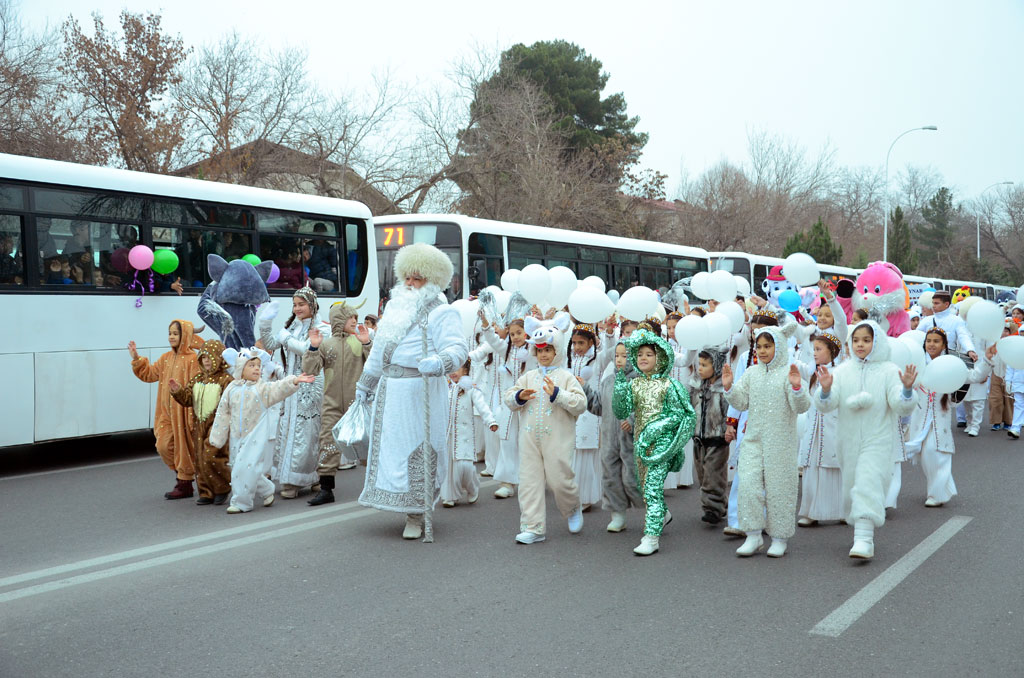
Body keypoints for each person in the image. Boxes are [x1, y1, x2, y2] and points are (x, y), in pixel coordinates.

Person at [355, 242, 468, 541]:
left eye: (416, 278)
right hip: (390, 393)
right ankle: (400, 502)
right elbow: (380, 348)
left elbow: (458, 349)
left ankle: (417, 512)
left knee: (420, 451)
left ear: (431, 281)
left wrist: (439, 362)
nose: (409, 283)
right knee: (392, 452)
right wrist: (366, 383)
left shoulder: (443, 312)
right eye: (407, 276)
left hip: (421, 390)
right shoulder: (393, 307)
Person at [814, 321, 917, 559]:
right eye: (856, 340)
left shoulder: (889, 371)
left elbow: (900, 406)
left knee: (868, 482)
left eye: (867, 340)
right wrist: (826, 389)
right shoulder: (841, 371)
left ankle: (863, 539)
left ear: (877, 342)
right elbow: (826, 406)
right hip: (848, 441)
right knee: (853, 485)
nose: (861, 344)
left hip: (878, 439)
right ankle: (860, 532)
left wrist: (907, 389)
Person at [722, 326, 810, 558]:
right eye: (759, 346)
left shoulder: (788, 372)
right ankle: (753, 535)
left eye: (768, 346)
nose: (762, 351)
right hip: (752, 440)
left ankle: (780, 537)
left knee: (779, 490)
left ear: (778, 346)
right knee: (748, 486)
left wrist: (797, 387)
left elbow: (801, 406)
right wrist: (730, 387)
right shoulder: (751, 373)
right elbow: (741, 402)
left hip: (780, 443)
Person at [504, 314, 587, 545]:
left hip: (558, 439)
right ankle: (533, 527)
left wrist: (558, 394)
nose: (543, 355)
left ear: (557, 351)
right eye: (539, 351)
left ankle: (571, 507)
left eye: (548, 350)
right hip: (529, 438)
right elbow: (509, 398)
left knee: (560, 480)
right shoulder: (528, 377)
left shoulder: (566, 377)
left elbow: (581, 404)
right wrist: (519, 396)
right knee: (529, 482)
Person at [613, 324, 696, 556]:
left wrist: (656, 429)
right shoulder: (635, 383)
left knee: (651, 488)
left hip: (661, 444)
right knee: (645, 486)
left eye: (649, 354)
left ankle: (651, 537)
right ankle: (663, 514)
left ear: (661, 357)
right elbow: (622, 411)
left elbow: (682, 414)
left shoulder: (670, 385)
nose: (643, 358)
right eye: (639, 354)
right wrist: (620, 390)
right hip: (641, 442)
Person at [209, 347, 316, 513]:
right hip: (237, 435)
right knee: (240, 465)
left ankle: (241, 502)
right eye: (251, 365)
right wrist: (218, 436)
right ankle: (266, 490)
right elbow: (223, 412)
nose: (257, 369)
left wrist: (294, 380)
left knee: (244, 466)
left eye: (259, 366)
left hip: (255, 435)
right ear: (240, 368)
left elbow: (278, 388)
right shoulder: (231, 388)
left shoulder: (262, 389)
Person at [904, 328, 994, 507]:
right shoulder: (918, 364)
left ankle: (937, 494)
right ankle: (940, 490)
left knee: (936, 453)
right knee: (925, 456)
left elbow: (975, 376)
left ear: (944, 345)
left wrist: (987, 360)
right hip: (920, 420)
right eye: (929, 341)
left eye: (936, 341)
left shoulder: (952, 365)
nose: (931, 344)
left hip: (939, 421)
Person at [258, 286, 327, 499]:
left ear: (312, 305)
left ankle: (300, 479)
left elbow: (308, 350)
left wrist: (286, 339)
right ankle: (299, 478)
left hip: (310, 384)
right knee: (288, 430)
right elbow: (270, 343)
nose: (297, 308)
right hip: (291, 385)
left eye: (301, 304)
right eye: (295, 305)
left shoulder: (322, 328)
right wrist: (265, 323)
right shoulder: (293, 326)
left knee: (306, 432)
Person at [303, 301, 372, 506]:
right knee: (328, 443)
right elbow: (311, 369)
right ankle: (326, 489)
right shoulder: (326, 344)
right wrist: (313, 347)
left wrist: (367, 344)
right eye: (351, 317)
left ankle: (376, 484)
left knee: (366, 442)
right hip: (331, 403)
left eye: (355, 317)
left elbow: (374, 366)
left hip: (358, 403)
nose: (355, 321)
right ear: (340, 319)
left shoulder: (359, 342)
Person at [128, 320, 203, 499]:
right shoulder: (165, 358)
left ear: (184, 336)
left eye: (175, 334)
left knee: (185, 448)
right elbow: (150, 374)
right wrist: (136, 359)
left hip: (184, 413)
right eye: (170, 333)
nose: (171, 337)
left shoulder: (193, 359)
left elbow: (197, 388)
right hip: (166, 414)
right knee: (163, 446)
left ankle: (184, 484)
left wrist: (193, 414)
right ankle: (184, 477)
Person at [169, 339, 234, 505]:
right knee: (199, 457)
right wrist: (178, 391)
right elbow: (188, 399)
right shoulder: (198, 378)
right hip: (199, 424)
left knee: (212, 455)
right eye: (203, 357)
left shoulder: (226, 379)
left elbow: (232, 402)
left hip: (218, 423)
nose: (206, 360)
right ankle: (206, 492)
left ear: (219, 358)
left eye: (210, 357)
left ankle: (222, 488)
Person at [587, 340, 641, 533]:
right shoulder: (608, 381)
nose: (619, 360)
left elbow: (648, 409)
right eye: (617, 355)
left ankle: (657, 511)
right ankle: (618, 515)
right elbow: (598, 406)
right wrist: (584, 389)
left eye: (625, 355)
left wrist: (633, 421)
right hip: (610, 439)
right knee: (611, 476)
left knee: (633, 479)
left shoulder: (640, 382)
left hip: (632, 441)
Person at [796, 333, 844, 526]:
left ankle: (841, 510)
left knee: (833, 468)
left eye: (818, 349)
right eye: (814, 349)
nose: (814, 353)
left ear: (831, 351)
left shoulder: (840, 372)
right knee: (811, 467)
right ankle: (810, 511)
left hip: (833, 427)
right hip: (813, 428)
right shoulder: (813, 373)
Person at [481, 317, 530, 498]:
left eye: (519, 333)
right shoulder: (506, 351)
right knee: (507, 440)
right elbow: (493, 339)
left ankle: (529, 481)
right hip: (509, 405)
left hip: (528, 404)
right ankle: (507, 483)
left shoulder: (533, 350)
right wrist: (486, 325)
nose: (516, 337)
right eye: (512, 334)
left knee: (528, 443)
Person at [442, 359, 498, 507]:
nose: (453, 372)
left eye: (457, 368)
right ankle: (450, 495)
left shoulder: (471, 389)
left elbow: (482, 406)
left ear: (465, 370)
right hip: (448, 436)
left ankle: (472, 487)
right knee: (450, 468)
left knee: (464, 467)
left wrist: (490, 420)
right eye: (450, 369)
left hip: (464, 436)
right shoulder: (444, 388)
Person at [689, 348, 731, 526]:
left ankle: (713, 509)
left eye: (705, 365)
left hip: (717, 438)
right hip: (699, 437)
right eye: (699, 364)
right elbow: (689, 406)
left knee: (713, 475)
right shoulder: (695, 386)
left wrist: (729, 427)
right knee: (703, 474)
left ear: (717, 366)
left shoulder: (723, 389)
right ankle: (719, 504)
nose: (700, 368)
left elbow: (730, 411)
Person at [567, 323, 605, 510]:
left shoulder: (598, 359)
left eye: (581, 343)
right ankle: (578, 496)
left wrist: (608, 334)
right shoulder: (572, 360)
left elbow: (609, 349)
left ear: (592, 342)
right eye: (574, 343)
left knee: (586, 454)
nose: (577, 347)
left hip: (590, 412)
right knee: (575, 453)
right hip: (573, 411)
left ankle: (586, 497)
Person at [917, 291, 978, 360]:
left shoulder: (956, 320)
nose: (933, 306)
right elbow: (916, 337)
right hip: (929, 358)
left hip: (949, 358)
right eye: (933, 303)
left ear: (946, 304)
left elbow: (963, 336)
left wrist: (970, 350)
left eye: (936, 303)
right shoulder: (926, 320)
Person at [990, 322, 1016, 432]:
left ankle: (1008, 421)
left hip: (1010, 375)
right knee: (995, 398)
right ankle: (996, 421)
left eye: (1006, 331)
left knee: (1009, 398)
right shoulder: (993, 343)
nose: (1003, 333)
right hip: (996, 373)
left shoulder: (1014, 344)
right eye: (1002, 330)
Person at [307, 223, 339, 292]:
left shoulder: (329, 248)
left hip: (328, 279)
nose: (320, 235)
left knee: (318, 281)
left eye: (322, 233)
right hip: (312, 276)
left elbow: (334, 264)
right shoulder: (308, 246)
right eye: (318, 232)